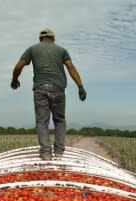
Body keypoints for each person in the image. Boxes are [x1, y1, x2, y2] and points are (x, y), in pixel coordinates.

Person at [11, 28, 86, 160]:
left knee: (42, 122)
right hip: (58, 89)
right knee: (60, 121)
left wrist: (14, 79)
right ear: (53, 38)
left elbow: (18, 66)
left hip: (40, 89)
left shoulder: (32, 49)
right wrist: (80, 86)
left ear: (40, 39)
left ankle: (46, 153)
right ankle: (58, 153)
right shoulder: (62, 51)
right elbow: (71, 67)